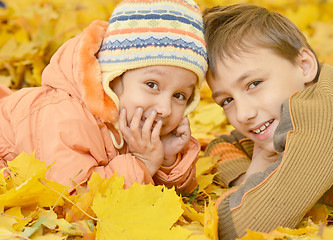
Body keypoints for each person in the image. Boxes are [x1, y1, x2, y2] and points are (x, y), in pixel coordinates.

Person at [0, 0, 208, 194]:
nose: (165, 108)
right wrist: (142, 163)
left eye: (180, 95)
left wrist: (166, 158)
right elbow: (72, 195)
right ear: (113, 78)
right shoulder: (66, 117)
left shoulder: (138, 119)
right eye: (152, 85)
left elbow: (177, 195)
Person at [202, 3, 333, 239]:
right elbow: (220, 146)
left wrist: (251, 182)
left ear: (304, 66)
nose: (243, 114)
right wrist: (251, 173)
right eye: (226, 100)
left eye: (253, 84)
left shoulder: (325, 115)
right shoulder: (283, 118)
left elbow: (240, 226)